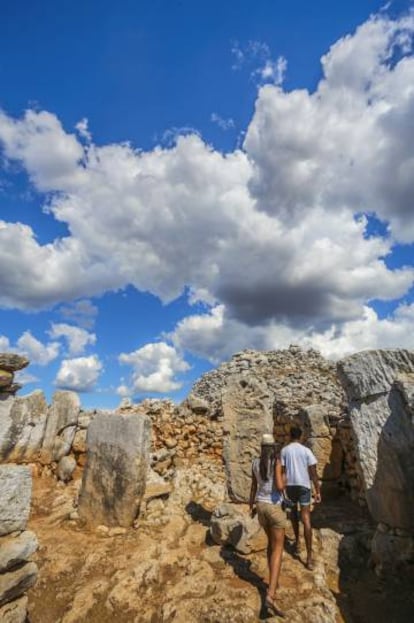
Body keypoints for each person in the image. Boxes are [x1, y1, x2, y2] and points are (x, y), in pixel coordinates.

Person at [249, 433, 286, 617]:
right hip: (274, 507)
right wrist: (284, 476)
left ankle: (273, 579)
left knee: (270, 545)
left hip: (260, 507)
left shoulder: (255, 463)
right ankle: (270, 595)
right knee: (278, 548)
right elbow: (280, 486)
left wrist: (251, 506)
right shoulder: (276, 462)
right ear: (273, 447)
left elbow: (253, 487)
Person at [281, 426, 321, 571]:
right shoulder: (306, 451)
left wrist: (283, 490)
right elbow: (313, 473)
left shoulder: (284, 450)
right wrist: (317, 491)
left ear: (289, 435)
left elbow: (283, 472)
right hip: (304, 486)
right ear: (301, 436)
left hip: (291, 486)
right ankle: (309, 558)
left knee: (293, 514)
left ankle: (297, 542)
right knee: (306, 519)